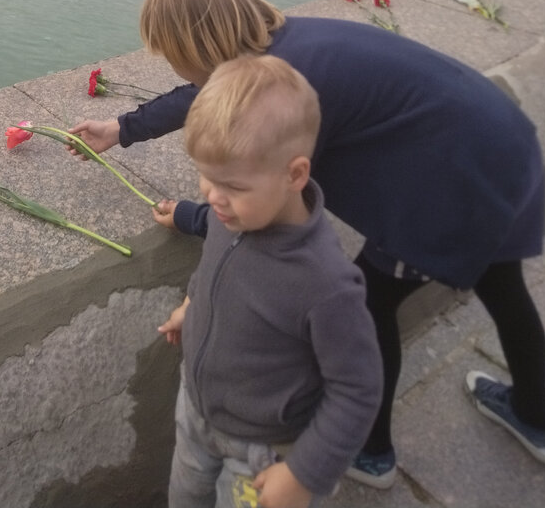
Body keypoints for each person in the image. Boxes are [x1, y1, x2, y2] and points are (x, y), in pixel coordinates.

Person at [71, 0, 545, 489]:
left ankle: (372, 455)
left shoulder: (287, 88)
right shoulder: (285, 49)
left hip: (447, 185)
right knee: (504, 287)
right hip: (499, 143)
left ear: (195, 46)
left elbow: (275, 202)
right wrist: (121, 128)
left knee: (373, 304)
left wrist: (192, 215)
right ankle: (536, 420)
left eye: (175, 57)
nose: (177, 69)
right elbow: (212, 91)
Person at [158, 54, 382, 508]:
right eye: (205, 175)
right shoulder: (232, 217)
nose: (212, 196)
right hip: (198, 414)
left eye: (232, 185)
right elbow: (214, 271)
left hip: (265, 452)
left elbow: (358, 389)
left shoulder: (326, 283)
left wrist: (304, 474)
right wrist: (193, 305)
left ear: (294, 174)